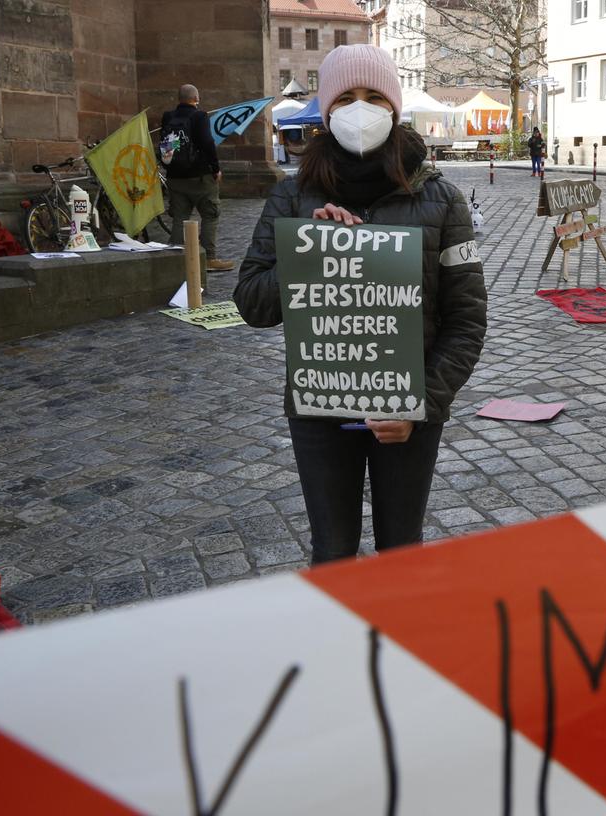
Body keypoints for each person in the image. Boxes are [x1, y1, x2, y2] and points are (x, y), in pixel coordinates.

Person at [232, 45, 488, 564]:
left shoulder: (442, 199)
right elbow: (252, 303)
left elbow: (467, 322)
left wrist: (419, 406)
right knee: (333, 551)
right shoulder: (292, 195)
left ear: (394, 106)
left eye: (373, 96)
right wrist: (309, 252)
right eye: (346, 97)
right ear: (326, 112)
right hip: (320, 407)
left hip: (407, 410)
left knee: (400, 551)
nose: (360, 108)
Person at [160, 85, 234, 271]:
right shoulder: (199, 116)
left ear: (179, 99)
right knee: (210, 214)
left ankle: (175, 258)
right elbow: (208, 143)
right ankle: (209, 258)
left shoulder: (168, 117)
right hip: (200, 176)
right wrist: (215, 168)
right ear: (196, 98)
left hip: (175, 176)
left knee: (180, 217)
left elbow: (166, 147)